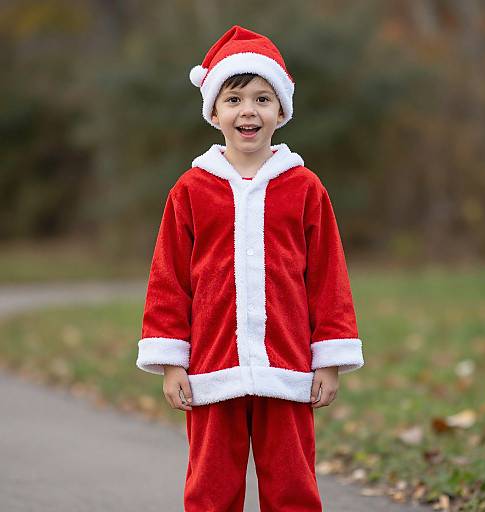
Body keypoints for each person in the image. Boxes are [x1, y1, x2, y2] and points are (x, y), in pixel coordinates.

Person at [136, 24, 365, 512]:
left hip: (287, 364)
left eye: (263, 99)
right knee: (210, 489)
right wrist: (172, 362)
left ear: (281, 111)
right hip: (212, 367)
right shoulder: (191, 190)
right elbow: (168, 280)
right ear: (214, 111)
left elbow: (329, 278)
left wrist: (329, 358)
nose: (248, 111)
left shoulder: (304, 188)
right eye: (235, 99)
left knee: (292, 487)